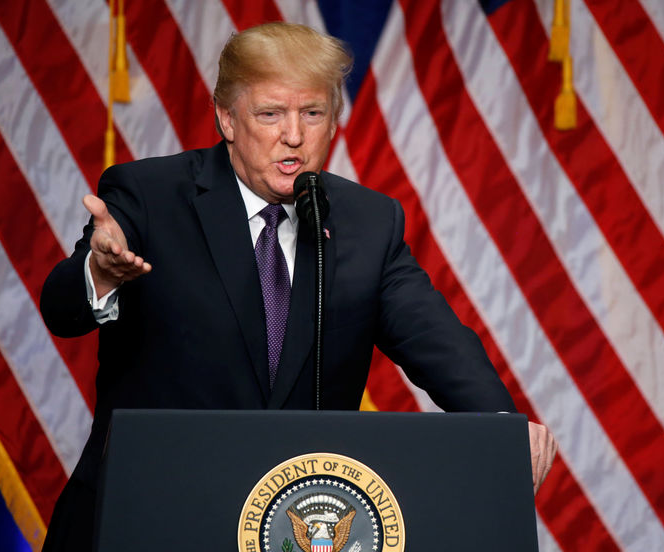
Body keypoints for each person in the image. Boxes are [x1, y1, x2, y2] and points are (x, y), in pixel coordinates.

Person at [39, 22, 556, 550]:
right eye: (270, 114)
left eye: (312, 113)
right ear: (227, 119)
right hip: (151, 514)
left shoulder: (367, 222)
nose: (294, 135)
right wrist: (100, 275)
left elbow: (436, 339)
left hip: (284, 523)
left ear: (333, 121)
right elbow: (60, 309)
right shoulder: (150, 194)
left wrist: (499, 426)